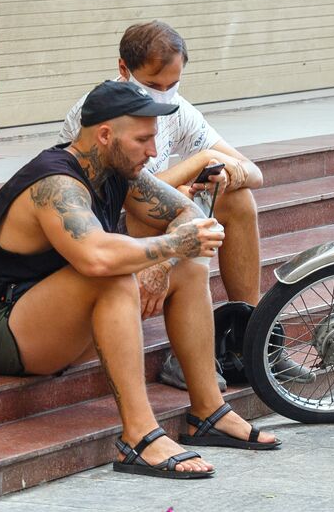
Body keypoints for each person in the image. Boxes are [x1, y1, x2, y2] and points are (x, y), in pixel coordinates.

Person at [0, 80, 281, 481]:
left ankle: (208, 412)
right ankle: (140, 436)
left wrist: (163, 263)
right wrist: (168, 247)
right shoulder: (55, 183)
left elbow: (188, 214)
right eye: (143, 139)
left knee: (187, 265)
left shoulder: (117, 170)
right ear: (106, 135)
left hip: (59, 323)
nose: (153, 151)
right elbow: (95, 256)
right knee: (112, 278)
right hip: (4, 331)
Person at [60, 22, 309, 388]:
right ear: (123, 70)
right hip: (99, 232)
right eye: (153, 86)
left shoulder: (180, 110)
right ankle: (188, 351)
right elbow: (131, 193)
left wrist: (226, 175)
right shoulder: (101, 113)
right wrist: (194, 168)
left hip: (149, 223)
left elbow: (254, 172)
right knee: (165, 210)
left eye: (172, 85)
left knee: (238, 198)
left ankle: (251, 339)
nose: (163, 96)